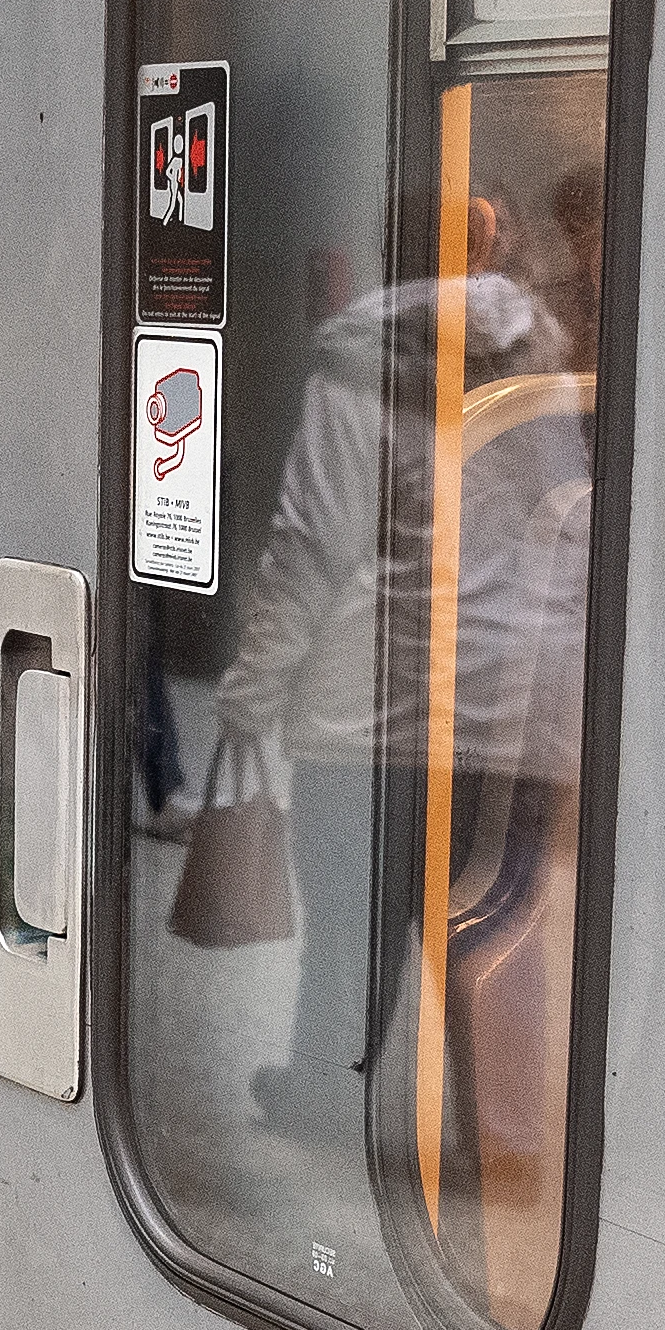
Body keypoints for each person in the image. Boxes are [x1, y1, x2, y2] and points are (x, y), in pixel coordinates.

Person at [223, 175, 584, 1134]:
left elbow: (312, 544)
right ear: (492, 246)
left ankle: (319, 1095)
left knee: (350, 928)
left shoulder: (353, 370)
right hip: (511, 698)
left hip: (368, 713)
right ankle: (494, 1131)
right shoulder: (546, 364)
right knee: (489, 928)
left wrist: (251, 693)